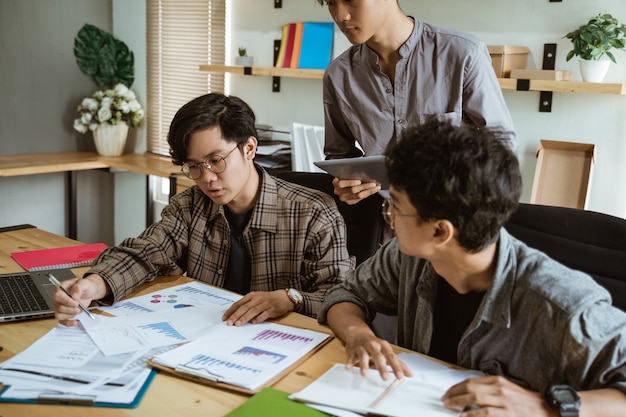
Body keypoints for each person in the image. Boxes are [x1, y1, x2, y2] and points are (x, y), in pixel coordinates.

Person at [318, 119, 626, 416]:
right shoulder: (409, 257)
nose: (389, 215)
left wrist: (543, 407)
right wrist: (358, 333)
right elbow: (346, 294)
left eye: (394, 205)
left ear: (440, 232)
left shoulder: (562, 305)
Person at [53, 93, 353, 327]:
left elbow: (342, 296)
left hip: (284, 352)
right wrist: (93, 285)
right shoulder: (189, 206)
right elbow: (146, 252)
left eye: (216, 160)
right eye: (194, 166)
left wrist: (292, 299)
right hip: (204, 339)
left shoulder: (314, 213)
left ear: (249, 148)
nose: (206, 177)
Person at [317, 0, 517, 205]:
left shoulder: (464, 53)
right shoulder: (338, 75)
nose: (340, 15)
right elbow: (340, 157)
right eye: (331, 3)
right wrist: (347, 184)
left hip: (456, 215)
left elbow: (501, 144)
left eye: (350, 0)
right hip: (384, 222)